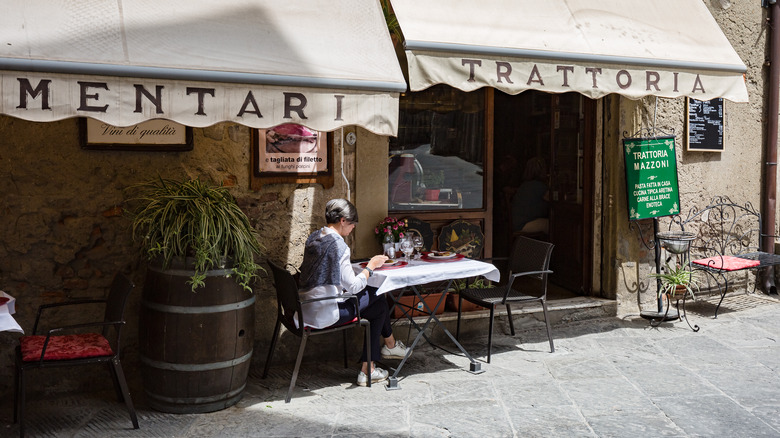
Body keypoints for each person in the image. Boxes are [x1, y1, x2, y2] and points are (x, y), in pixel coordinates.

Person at [297, 198, 410, 386]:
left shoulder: (315, 237)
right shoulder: (339, 246)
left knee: (377, 304)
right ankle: (375, 362)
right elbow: (354, 287)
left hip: (306, 308)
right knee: (379, 298)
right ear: (342, 221)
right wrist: (371, 266)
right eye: (352, 224)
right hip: (326, 312)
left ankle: (380, 357)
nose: (353, 229)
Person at [511, 157, 549, 233]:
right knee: (550, 224)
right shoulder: (539, 186)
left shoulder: (524, 185)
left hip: (517, 223)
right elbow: (551, 200)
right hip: (524, 224)